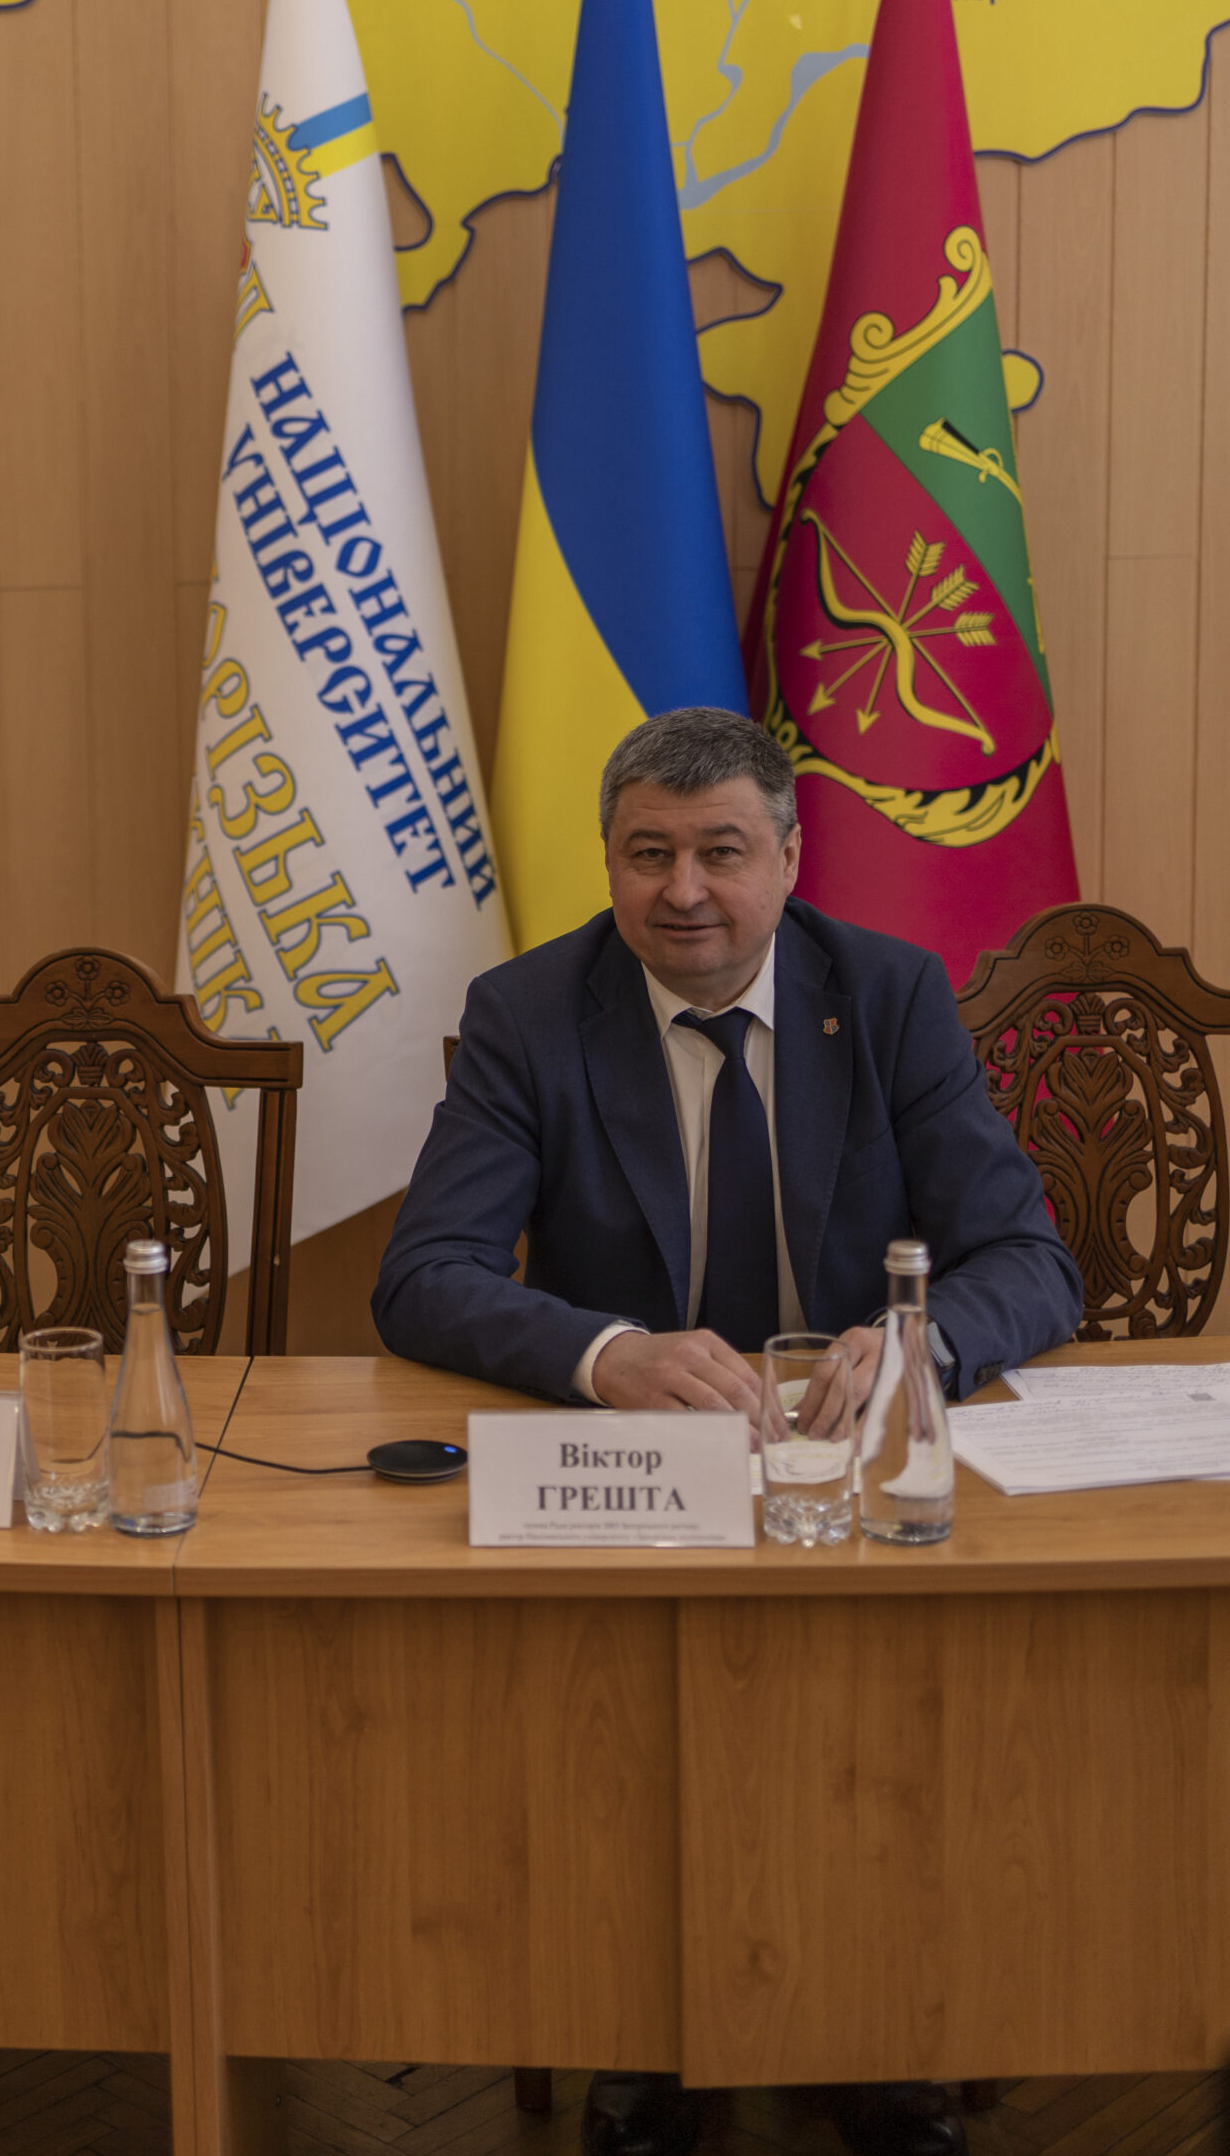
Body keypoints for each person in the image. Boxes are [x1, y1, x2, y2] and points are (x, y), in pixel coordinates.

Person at [373, 706, 1081, 2156]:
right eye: (649, 854)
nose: (683, 891)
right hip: (634, 1490)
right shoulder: (529, 1013)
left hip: (853, 1481)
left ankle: (885, 2039)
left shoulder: (887, 995)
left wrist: (919, 1344)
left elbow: (1028, 1260)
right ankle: (650, 2038)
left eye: (720, 852)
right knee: (624, 1728)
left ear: (789, 858)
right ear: (609, 863)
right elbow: (423, 1276)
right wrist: (605, 1353)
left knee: (890, 1727)